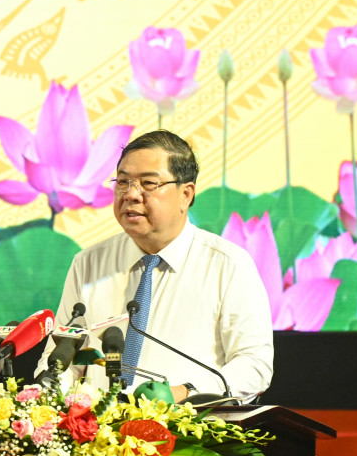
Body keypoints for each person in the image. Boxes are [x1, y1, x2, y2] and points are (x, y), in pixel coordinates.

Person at [37, 130, 273, 403]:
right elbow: (61, 358)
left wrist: (184, 393)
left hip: (189, 431)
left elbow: (254, 365)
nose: (131, 194)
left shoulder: (228, 265)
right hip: (97, 436)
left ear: (186, 194)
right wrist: (48, 398)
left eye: (148, 183)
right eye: (123, 182)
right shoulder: (89, 263)